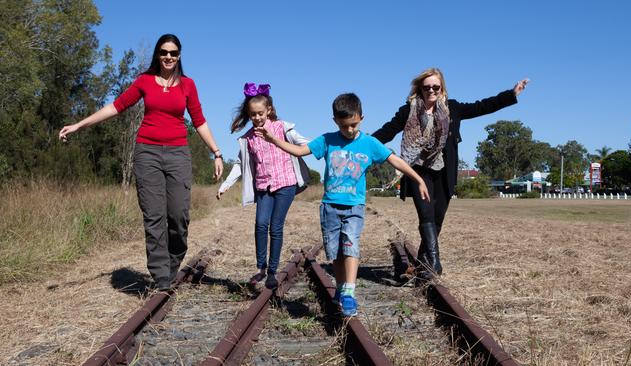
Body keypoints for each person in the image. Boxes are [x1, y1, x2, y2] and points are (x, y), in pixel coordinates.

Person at [58, 34, 223, 291]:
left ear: (179, 56)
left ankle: (172, 262)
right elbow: (116, 106)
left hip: (178, 153)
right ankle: (161, 277)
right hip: (147, 153)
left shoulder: (188, 85)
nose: (169, 57)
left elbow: (199, 120)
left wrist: (217, 152)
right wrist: (80, 125)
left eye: (174, 53)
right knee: (153, 216)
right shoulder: (145, 81)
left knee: (178, 216)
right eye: (164, 52)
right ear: (158, 54)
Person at [256, 93, 430, 317]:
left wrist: (418, 178)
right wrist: (273, 140)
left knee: (351, 245)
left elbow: (393, 159)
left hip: (354, 207)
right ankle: (340, 289)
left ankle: (349, 292)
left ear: (362, 118)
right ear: (335, 121)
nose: (349, 130)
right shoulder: (328, 140)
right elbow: (300, 151)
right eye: (344, 125)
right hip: (329, 207)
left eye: (354, 125)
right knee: (336, 253)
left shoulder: (369, 143)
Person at [371, 67, 528, 278]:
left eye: (435, 87)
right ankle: (435, 264)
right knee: (425, 213)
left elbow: (482, 106)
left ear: (441, 88)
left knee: (437, 219)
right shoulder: (409, 110)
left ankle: (421, 264)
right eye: (426, 87)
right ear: (420, 88)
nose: (431, 91)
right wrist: (364, 145)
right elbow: (388, 130)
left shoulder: (452, 108)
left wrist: (511, 94)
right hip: (418, 170)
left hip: (444, 171)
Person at [217, 82, 310, 290]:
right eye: (252, 114)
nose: (257, 118)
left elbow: (307, 144)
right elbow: (240, 165)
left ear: (268, 110)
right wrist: (225, 185)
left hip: (285, 184)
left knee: (275, 226)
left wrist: (325, 148)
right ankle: (260, 267)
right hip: (263, 186)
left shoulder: (283, 128)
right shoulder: (248, 138)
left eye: (260, 113)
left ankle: (272, 272)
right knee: (260, 224)